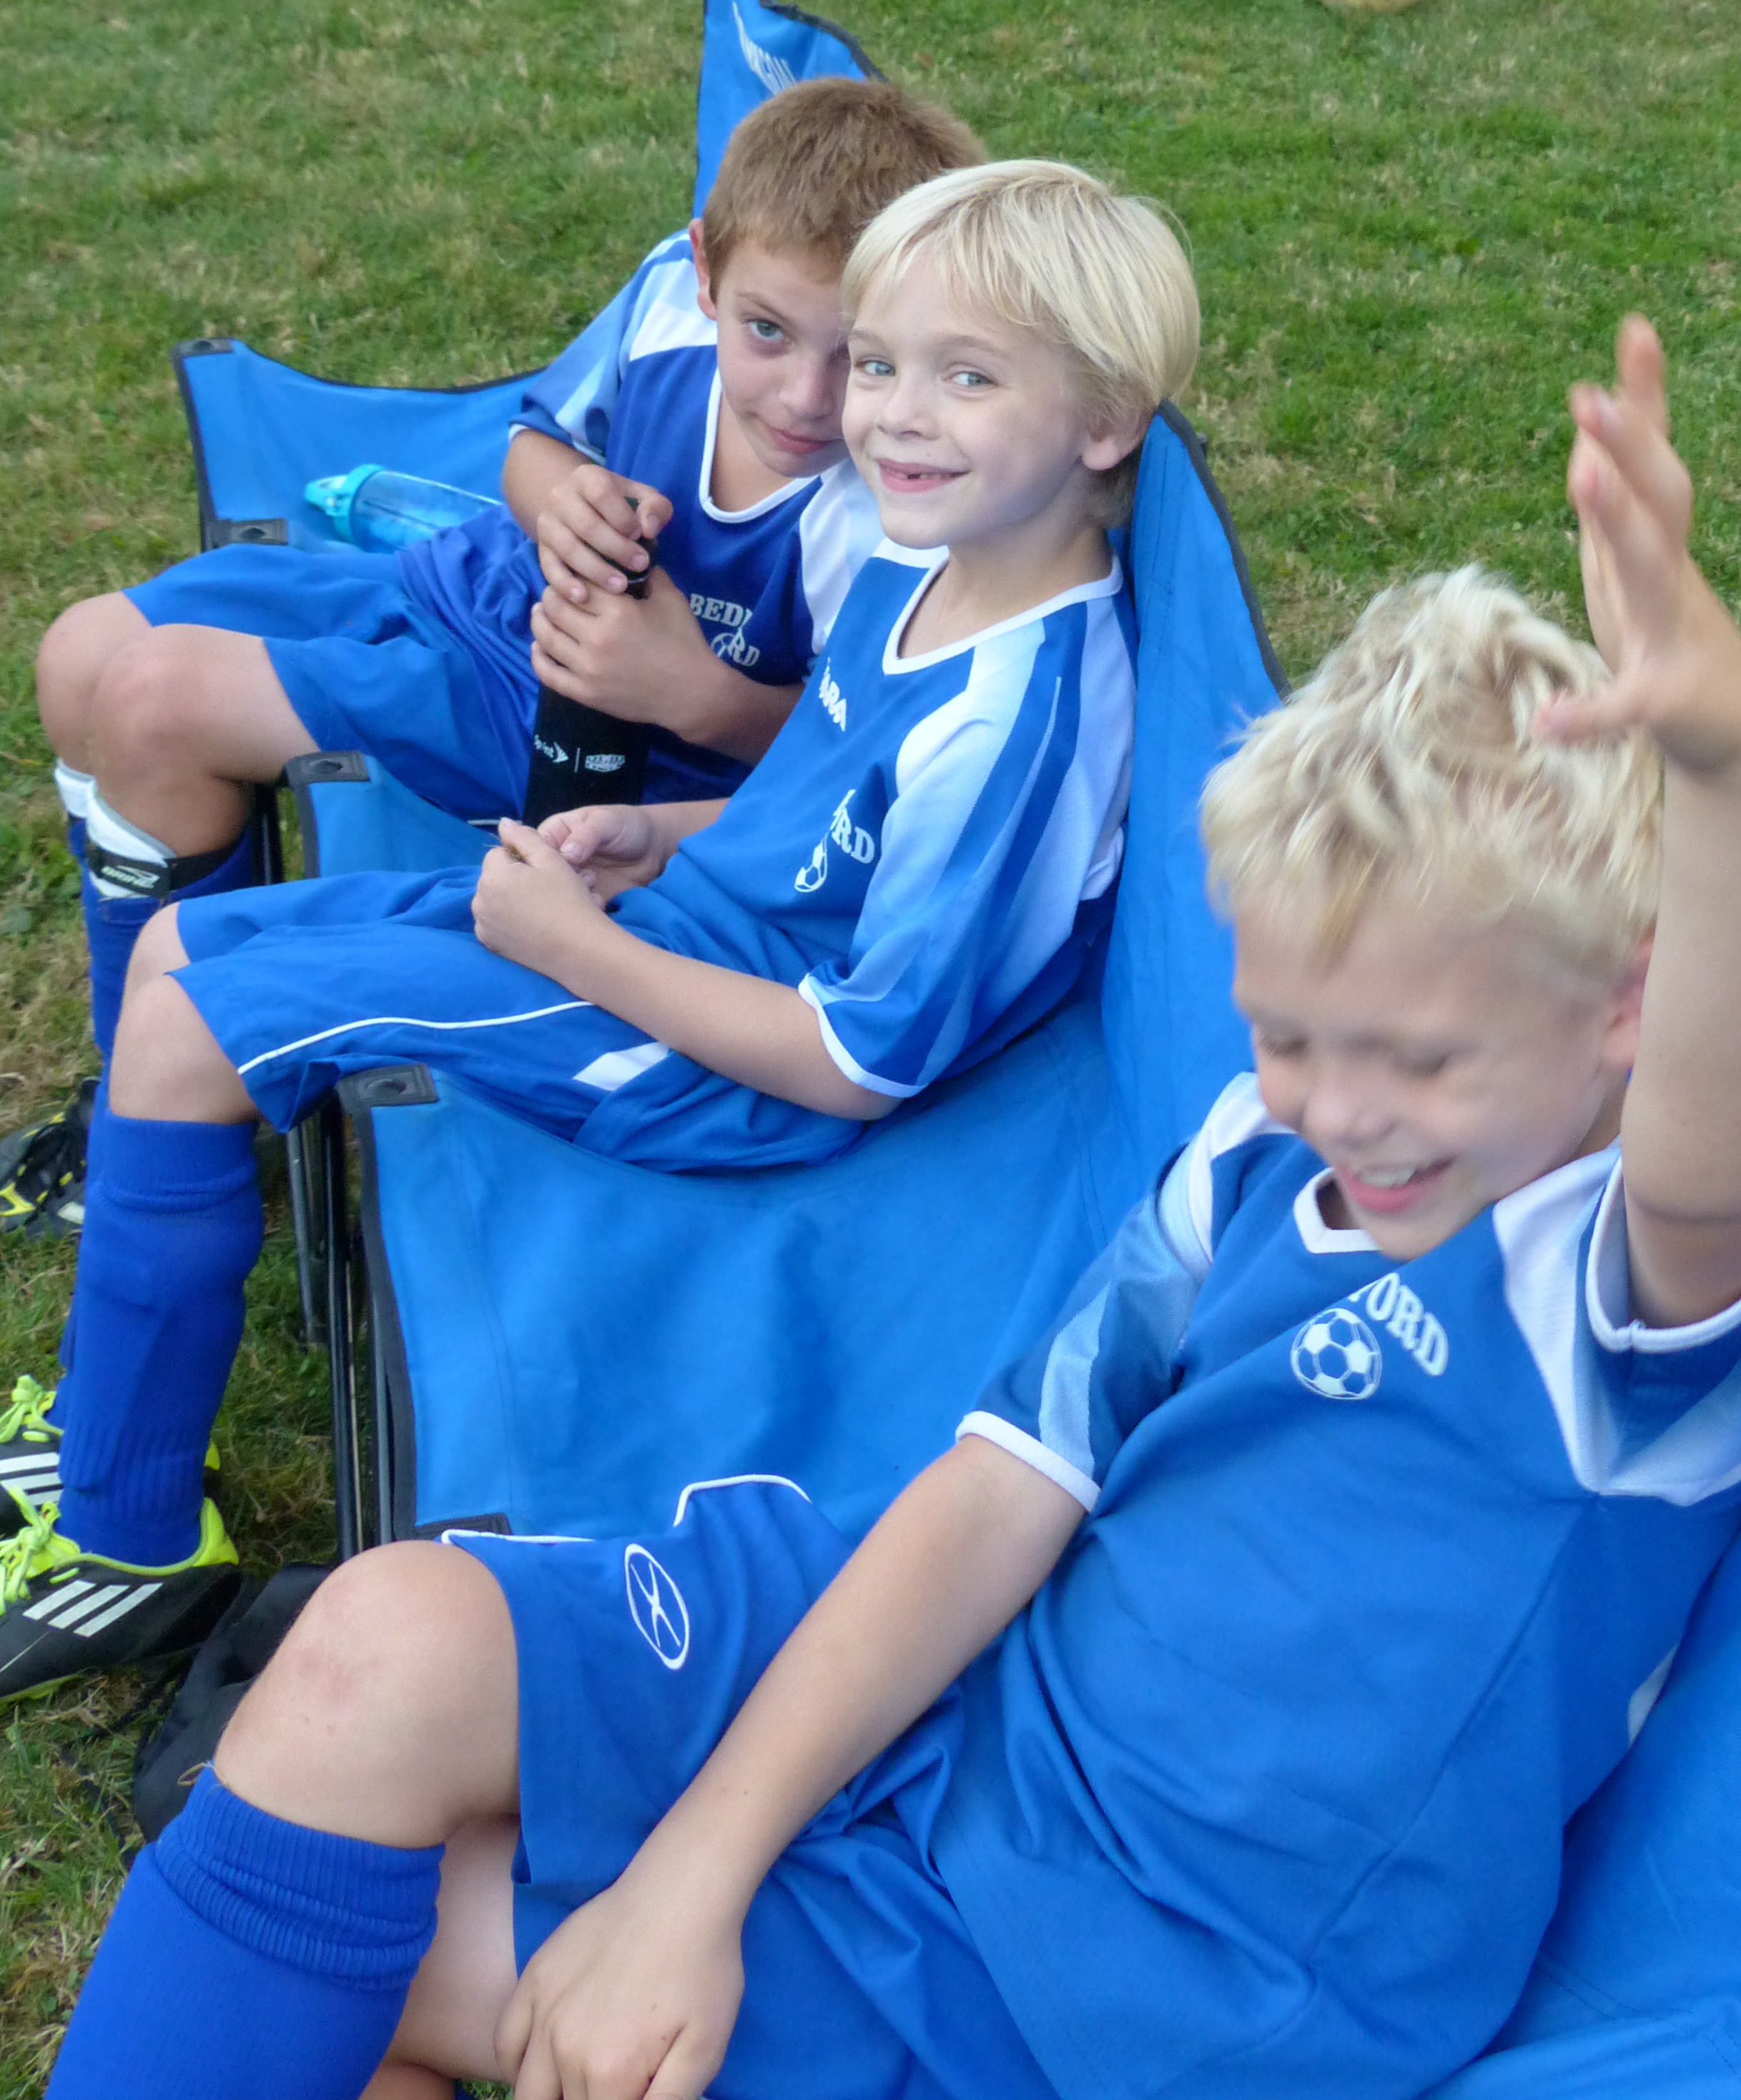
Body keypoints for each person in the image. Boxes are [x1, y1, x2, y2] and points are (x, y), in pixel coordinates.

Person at [44, 316, 1741, 2100]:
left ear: (1624, 1004)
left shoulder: (1618, 1302)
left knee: (367, 1949)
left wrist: (1731, 766)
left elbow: (1726, 1149)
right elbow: (1000, 1484)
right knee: (376, 1651)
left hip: (1109, 1955)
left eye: (1418, 1060)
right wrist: (695, 1866)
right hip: (985, 1689)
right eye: (1290, 1032)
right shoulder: (1256, 1155)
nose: (1342, 1107)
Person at [0, 162, 1201, 1702]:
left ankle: (129, 1546)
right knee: (182, 960)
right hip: (672, 928)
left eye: (964, 378)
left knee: (186, 1019)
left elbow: (857, 1060)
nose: (891, 417)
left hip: (715, 1054)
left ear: (1104, 423)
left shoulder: (1015, 712)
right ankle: (109, 1439)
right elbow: (823, 814)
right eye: (885, 365)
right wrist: (661, 834)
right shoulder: (941, 558)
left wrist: (578, 947)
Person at [10, 79, 981, 1241]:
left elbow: (847, 768)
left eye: (858, 354)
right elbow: (534, 447)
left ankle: (145, 1117)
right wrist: (561, 500)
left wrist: (701, 695)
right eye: (766, 331)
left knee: (153, 698)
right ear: (706, 269)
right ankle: (137, 1083)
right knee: (78, 655)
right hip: (472, 591)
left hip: (584, 736)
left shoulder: (891, 505)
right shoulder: (669, 301)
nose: (807, 396)